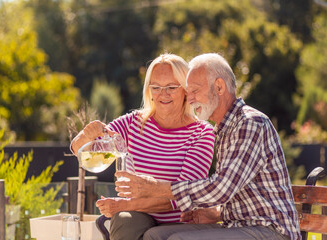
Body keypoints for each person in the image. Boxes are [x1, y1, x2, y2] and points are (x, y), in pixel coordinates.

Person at [115, 53, 302, 240]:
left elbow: (222, 188)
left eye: (195, 91)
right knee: (155, 236)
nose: (190, 99)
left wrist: (155, 187)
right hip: (236, 225)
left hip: (271, 232)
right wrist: (218, 213)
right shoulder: (223, 128)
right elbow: (241, 194)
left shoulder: (250, 123)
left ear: (219, 87)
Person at [70, 53, 215, 240]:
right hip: (138, 216)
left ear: (186, 90)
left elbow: (183, 197)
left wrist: (123, 205)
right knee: (125, 220)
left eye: (171, 87)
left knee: (129, 216)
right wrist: (84, 136)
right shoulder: (132, 123)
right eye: (156, 87)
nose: (163, 94)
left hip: (181, 222)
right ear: (149, 90)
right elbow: (82, 152)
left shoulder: (201, 132)